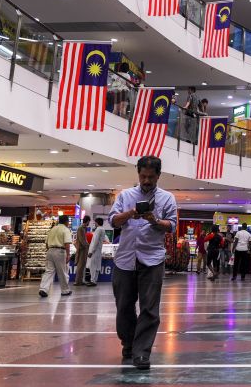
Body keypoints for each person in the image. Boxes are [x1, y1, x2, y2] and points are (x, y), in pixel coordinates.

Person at [109, 156, 178, 370]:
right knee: (124, 307)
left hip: (153, 259)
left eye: (151, 177)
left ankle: (141, 353)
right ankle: (128, 344)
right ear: (138, 174)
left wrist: (154, 220)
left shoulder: (167, 198)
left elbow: (172, 226)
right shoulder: (126, 195)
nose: (146, 180)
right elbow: (113, 220)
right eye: (143, 176)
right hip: (125, 259)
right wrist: (131, 213)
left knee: (149, 309)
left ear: (158, 175)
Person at [38, 215, 72, 298]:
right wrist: (68, 255)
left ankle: (43, 289)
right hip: (60, 251)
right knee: (62, 272)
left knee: (48, 271)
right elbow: (67, 243)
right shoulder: (65, 230)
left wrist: (49, 250)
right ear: (66, 221)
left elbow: (46, 243)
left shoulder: (52, 229)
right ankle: (65, 290)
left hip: (50, 251)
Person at [87, 217, 106, 286]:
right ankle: (95, 280)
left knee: (93, 266)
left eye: (95, 222)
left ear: (97, 223)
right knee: (97, 266)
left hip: (94, 251)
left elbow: (95, 241)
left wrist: (91, 251)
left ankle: (92, 280)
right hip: (98, 250)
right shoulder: (103, 229)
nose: (94, 223)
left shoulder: (98, 230)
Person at [75, 215, 91, 286]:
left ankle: (81, 280)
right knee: (80, 266)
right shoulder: (81, 228)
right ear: (87, 221)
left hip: (84, 249)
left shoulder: (84, 228)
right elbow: (82, 240)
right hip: (81, 249)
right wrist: (88, 246)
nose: (89, 223)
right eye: (89, 221)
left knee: (83, 266)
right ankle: (78, 281)